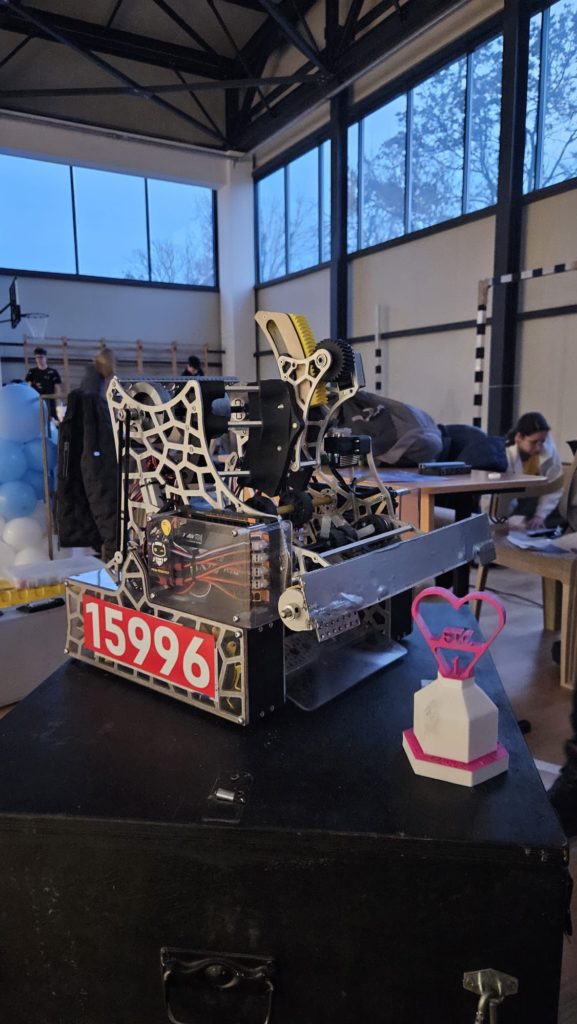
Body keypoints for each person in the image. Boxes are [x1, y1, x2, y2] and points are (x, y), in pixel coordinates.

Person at [502, 412, 564, 530]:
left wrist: (540, 516)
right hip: (515, 500)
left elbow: (554, 487)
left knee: (561, 514)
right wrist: (504, 521)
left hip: (537, 498)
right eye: (533, 442)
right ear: (519, 437)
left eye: (542, 441)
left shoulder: (550, 451)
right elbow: (505, 495)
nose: (539, 447)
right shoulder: (505, 454)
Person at [25, 346, 61, 419]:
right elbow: (28, 387)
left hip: (49, 401)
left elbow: (57, 388)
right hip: (36, 402)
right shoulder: (32, 372)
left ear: (45, 358)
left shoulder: (53, 372)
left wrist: (58, 402)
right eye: (37, 358)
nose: (39, 360)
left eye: (41, 357)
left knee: (51, 421)